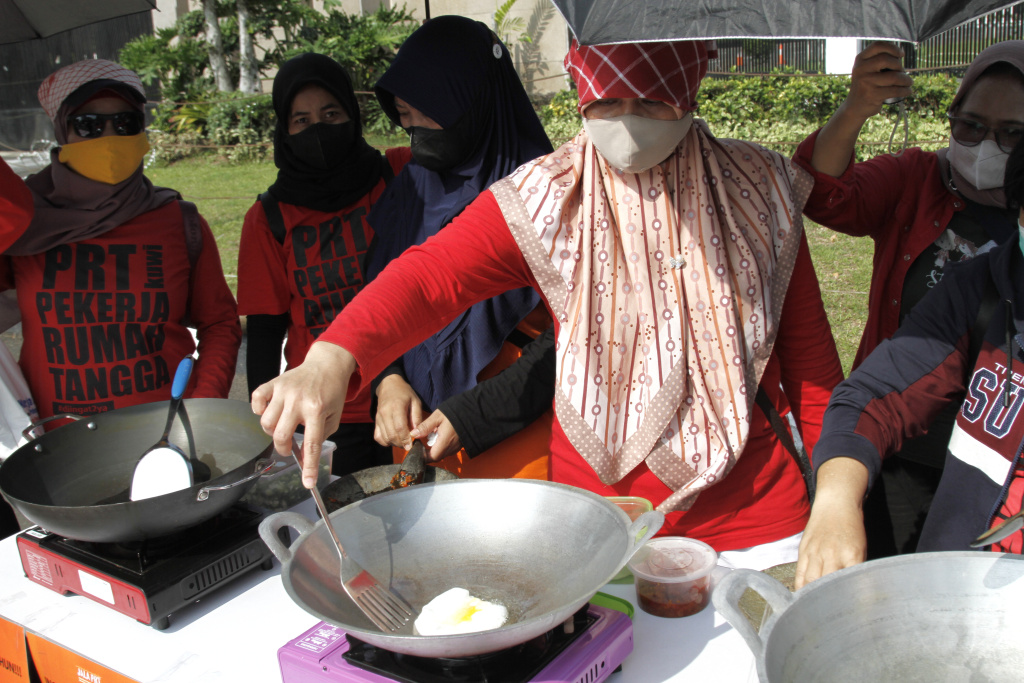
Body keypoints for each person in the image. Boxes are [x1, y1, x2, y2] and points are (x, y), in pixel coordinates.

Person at [253, 39, 845, 566]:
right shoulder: (546, 199)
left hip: (758, 527)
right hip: (599, 529)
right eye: (607, 103)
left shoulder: (759, 192)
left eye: (653, 100)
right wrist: (333, 357)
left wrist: (836, 500)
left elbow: (812, 364)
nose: (630, 124)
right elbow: (431, 277)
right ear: (582, 88)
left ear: (689, 84)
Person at [793, 41, 1024, 557]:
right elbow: (822, 195)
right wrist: (856, 108)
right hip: (902, 439)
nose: (988, 145)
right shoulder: (920, 180)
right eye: (971, 125)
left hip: (998, 462)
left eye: (1013, 133)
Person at [363, 15, 555, 478]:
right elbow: (377, 301)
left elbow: (578, 337)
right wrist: (387, 379)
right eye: (405, 116)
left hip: (518, 442)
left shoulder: (546, 197)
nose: (417, 132)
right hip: (416, 439)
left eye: (429, 111)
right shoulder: (410, 194)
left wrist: (476, 414)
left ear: (473, 100)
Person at [0, 59, 240, 422]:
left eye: (126, 123)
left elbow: (220, 323)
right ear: (62, 130)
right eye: (89, 125)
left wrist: (203, 405)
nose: (110, 138)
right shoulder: (22, 224)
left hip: (167, 439)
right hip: (53, 448)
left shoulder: (179, 221)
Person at [236, 53, 409, 475]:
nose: (317, 129)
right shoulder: (268, 218)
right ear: (285, 129)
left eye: (331, 113)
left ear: (351, 114)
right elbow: (263, 329)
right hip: (328, 412)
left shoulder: (399, 173)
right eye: (301, 120)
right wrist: (262, 423)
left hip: (409, 394)